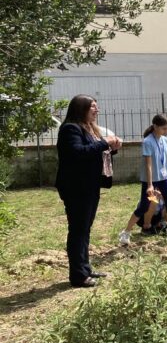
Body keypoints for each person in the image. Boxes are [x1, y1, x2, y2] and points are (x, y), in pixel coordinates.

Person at [56, 95, 122, 287]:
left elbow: (95, 151)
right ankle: (78, 276)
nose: (96, 110)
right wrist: (105, 142)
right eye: (93, 107)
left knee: (84, 229)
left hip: (89, 185)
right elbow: (78, 153)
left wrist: (113, 148)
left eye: (96, 106)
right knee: (78, 230)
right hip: (75, 187)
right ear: (81, 108)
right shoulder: (70, 129)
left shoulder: (89, 128)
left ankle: (85, 268)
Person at [119, 114, 167, 245]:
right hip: (150, 179)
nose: (166, 131)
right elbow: (149, 165)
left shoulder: (165, 140)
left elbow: (163, 161)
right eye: (164, 129)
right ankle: (126, 232)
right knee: (145, 205)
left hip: (164, 177)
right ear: (155, 126)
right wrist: (150, 185)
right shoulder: (147, 141)